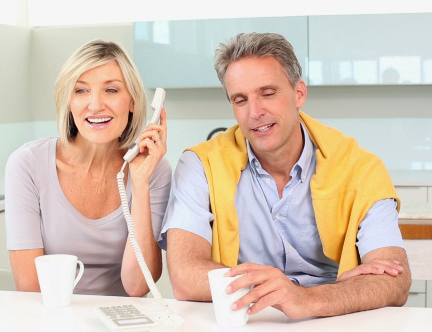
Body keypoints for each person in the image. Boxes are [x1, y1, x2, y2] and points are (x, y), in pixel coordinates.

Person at [159, 32, 411, 319]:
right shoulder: (201, 165)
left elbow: (395, 280)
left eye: (268, 93)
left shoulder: (359, 168)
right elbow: (184, 276)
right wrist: (285, 290)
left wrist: (309, 299)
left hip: (333, 319)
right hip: (247, 320)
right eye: (240, 100)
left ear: (299, 93)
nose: (255, 112)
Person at [5, 40, 171, 297]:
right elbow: (30, 289)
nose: (95, 105)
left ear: (133, 102)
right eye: (81, 91)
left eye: (112, 90)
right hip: (50, 318)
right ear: (68, 101)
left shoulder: (152, 169)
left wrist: (139, 182)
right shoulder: (28, 164)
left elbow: (138, 286)